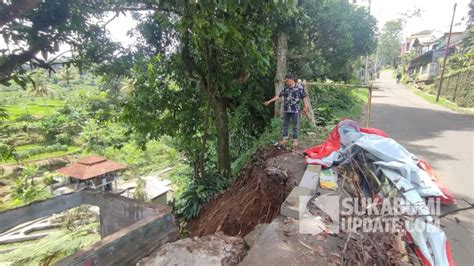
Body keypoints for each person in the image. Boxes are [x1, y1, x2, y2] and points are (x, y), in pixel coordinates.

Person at [264, 74, 309, 146]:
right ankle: (285, 138)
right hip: (286, 110)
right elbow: (278, 96)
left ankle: (295, 140)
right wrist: (269, 101)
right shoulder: (286, 88)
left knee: (295, 125)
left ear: (291, 80)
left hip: (295, 111)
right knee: (285, 125)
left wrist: (306, 107)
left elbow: (304, 97)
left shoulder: (300, 88)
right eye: (285, 82)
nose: (286, 83)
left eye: (287, 81)